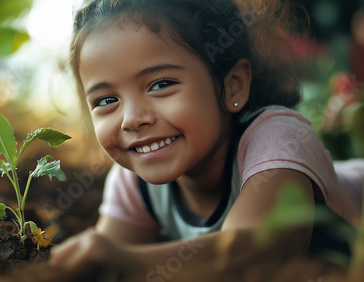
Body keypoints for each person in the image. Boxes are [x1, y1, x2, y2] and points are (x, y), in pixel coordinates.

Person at [49, 0, 364, 280]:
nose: (132, 119)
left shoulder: (277, 138)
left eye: (160, 84)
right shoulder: (133, 182)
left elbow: (263, 251)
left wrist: (128, 261)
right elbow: (105, 260)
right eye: (106, 101)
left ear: (234, 86)